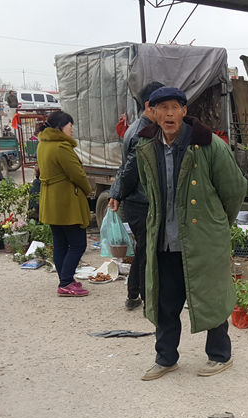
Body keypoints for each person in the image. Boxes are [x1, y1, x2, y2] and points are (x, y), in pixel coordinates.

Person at [131, 86, 246, 381]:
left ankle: (220, 355)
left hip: (203, 238)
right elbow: (148, 188)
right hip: (165, 239)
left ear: (184, 111)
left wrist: (217, 223)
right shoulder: (146, 146)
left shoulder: (208, 145)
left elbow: (234, 189)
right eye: (163, 108)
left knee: (211, 295)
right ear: (152, 112)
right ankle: (166, 358)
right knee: (165, 302)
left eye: (175, 107)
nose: (169, 114)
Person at [108, 80, 164, 311]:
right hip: (141, 202)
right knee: (148, 251)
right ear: (149, 106)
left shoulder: (136, 128)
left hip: (136, 201)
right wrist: (118, 193)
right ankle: (147, 299)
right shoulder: (143, 133)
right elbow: (130, 170)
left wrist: (117, 193)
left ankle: (133, 295)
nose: (167, 112)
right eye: (163, 105)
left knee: (143, 249)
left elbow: (124, 168)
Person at [36, 111, 92, 297]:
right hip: (66, 202)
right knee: (77, 244)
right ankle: (66, 282)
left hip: (50, 201)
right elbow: (77, 174)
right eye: (70, 126)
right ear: (60, 127)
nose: (72, 130)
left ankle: (65, 280)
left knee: (60, 243)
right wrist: (88, 190)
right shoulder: (61, 147)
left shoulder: (43, 145)